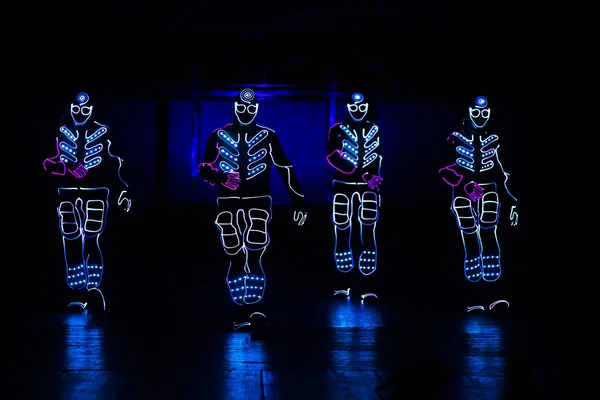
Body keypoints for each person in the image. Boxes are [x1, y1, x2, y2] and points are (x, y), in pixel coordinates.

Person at [199, 88, 307, 329]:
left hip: (258, 200)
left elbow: (285, 167)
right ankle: (240, 309)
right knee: (235, 254)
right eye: (241, 107)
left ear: (256, 109)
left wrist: (298, 200)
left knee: (256, 251)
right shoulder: (219, 135)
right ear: (234, 108)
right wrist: (220, 176)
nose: (246, 111)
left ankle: (255, 307)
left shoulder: (267, 135)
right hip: (228, 201)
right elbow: (205, 166)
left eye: (250, 108)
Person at [43, 92, 131, 312]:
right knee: (71, 238)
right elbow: (47, 162)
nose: (79, 113)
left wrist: (122, 190)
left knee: (92, 237)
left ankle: (93, 289)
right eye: (75, 109)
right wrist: (66, 167)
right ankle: (76, 291)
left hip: (97, 192)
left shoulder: (104, 133)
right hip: (68, 192)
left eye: (84, 109)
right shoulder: (59, 132)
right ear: (69, 108)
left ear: (92, 110)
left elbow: (115, 164)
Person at [438, 96, 518, 312]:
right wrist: (465, 184)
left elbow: (501, 173)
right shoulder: (454, 139)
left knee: (489, 233)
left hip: (489, 191)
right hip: (464, 194)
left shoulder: (495, 139)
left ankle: (494, 294)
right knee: (470, 236)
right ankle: (472, 296)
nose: (480, 116)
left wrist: (511, 199)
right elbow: (444, 169)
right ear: (467, 113)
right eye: (476, 112)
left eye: (485, 112)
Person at [326, 92, 383, 302]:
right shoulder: (337, 130)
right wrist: (362, 173)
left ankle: (368, 285)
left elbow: (377, 156)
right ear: (348, 107)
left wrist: (374, 179)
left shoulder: (374, 130)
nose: (357, 110)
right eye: (353, 107)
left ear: (367, 107)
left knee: (368, 230)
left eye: (361, 107)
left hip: (369, 187)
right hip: (344, 185)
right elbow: (333, 156)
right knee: (342, 229)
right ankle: (343, 283)